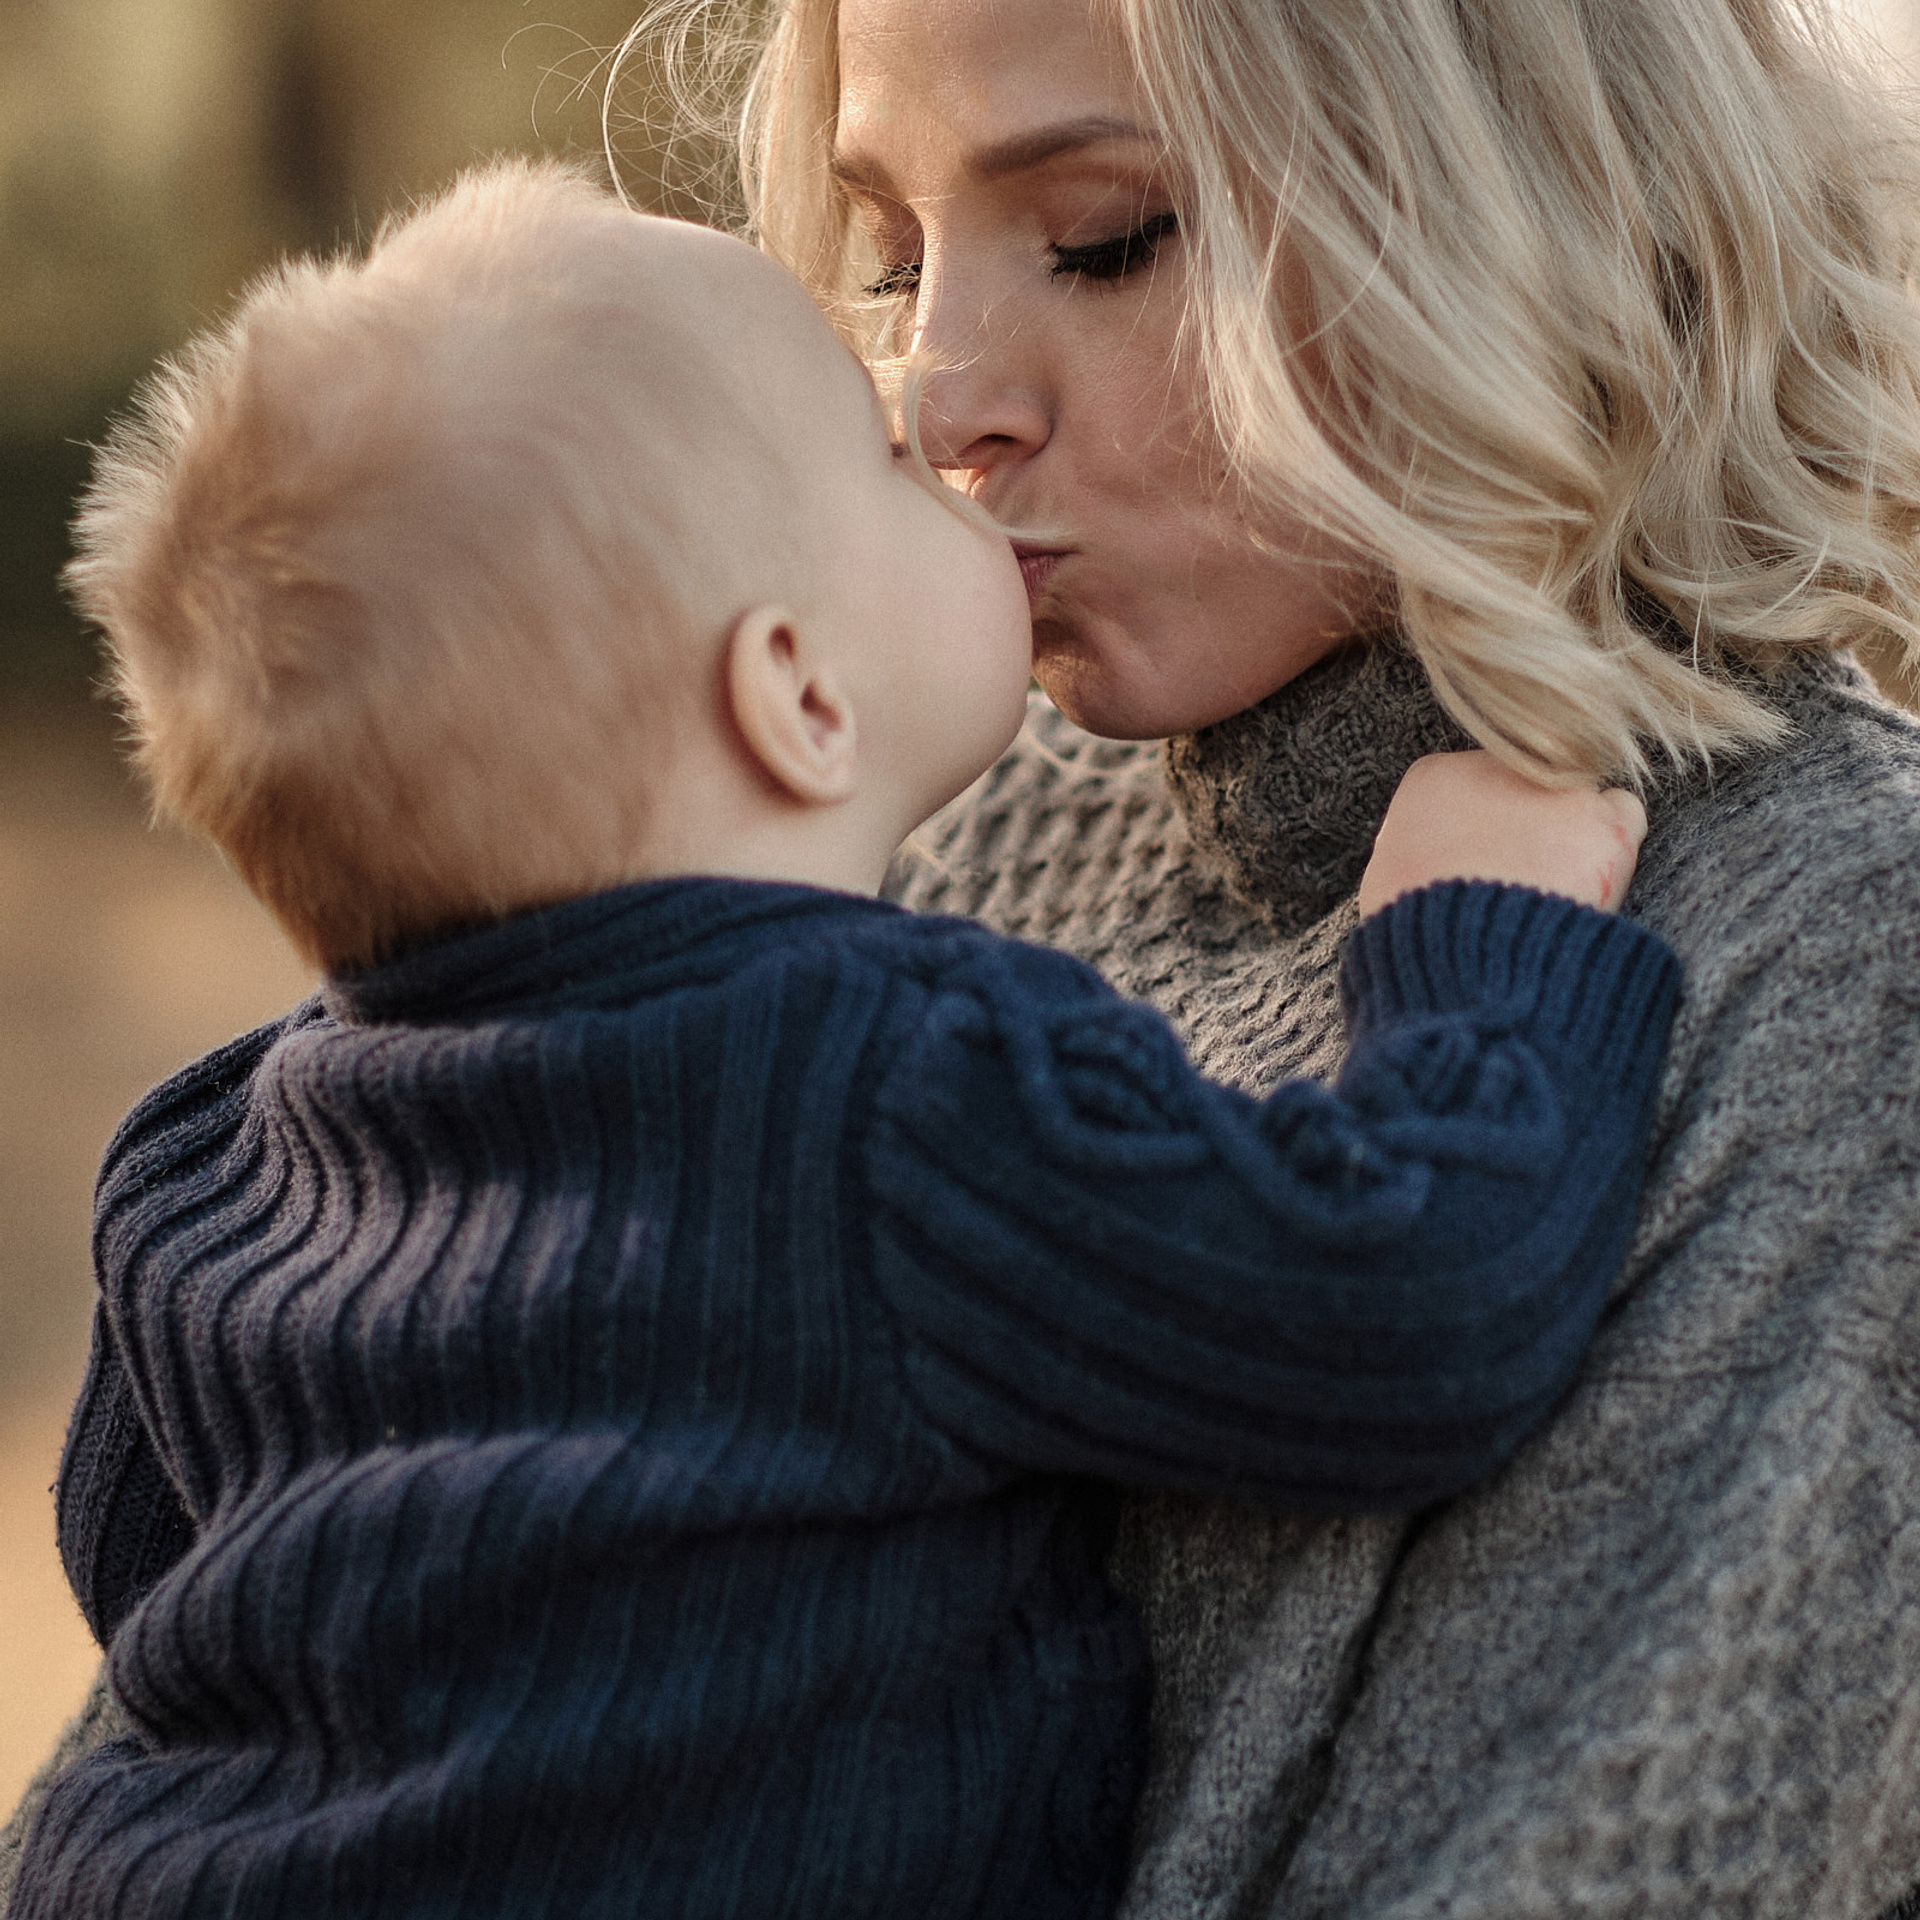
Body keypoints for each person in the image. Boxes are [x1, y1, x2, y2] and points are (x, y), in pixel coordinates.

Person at [3, 161, 1674, 1919]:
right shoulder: (885, 1085)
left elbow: (132, 1557)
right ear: (796, 697)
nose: (944, 432)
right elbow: (1396, 1308)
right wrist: (1480, 946)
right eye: (879, 465)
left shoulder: (201, 1152)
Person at [647, 0, 1914, 1914]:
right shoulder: (960, 830)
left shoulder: (1847, 953)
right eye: (898, 256)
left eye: (1099, 237)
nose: (941, 388)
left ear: (1517, 193)